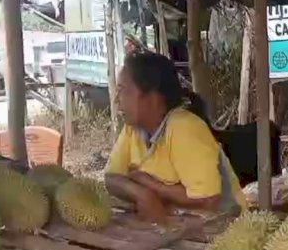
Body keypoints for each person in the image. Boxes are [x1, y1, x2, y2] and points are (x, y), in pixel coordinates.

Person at [104, 51, 248, 223]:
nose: (117, 100)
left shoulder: (184, 127)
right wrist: (142, 193)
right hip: (176, 227)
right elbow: (111, 178)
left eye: (123, 90)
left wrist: (151, 185)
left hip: (223, 228)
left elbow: (208, 199)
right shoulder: (132, 130)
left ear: (152, 98)